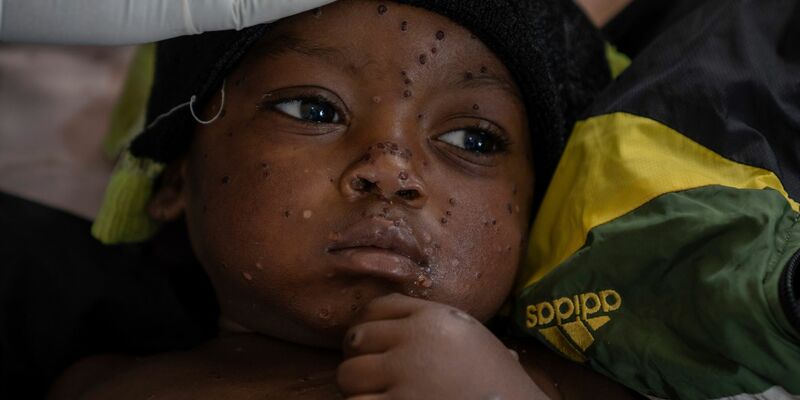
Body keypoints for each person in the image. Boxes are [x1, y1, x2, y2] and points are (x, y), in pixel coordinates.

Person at [49, 1, 632, 399]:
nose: (391, 170)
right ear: (175, 177)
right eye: (313, 110)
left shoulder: (568, 386)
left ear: (536, 217)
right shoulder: (99, 385)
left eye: (472, 140)